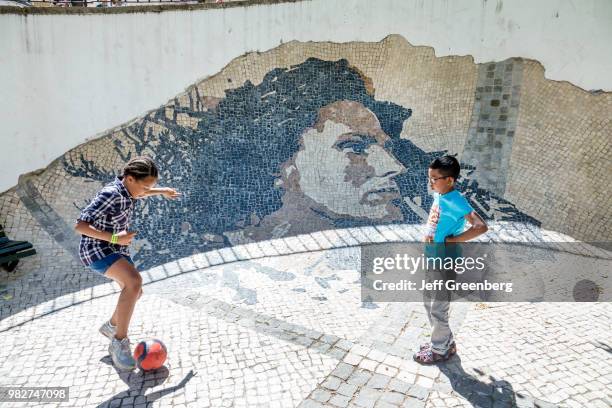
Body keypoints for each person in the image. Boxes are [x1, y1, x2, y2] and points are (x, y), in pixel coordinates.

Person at [74, 156, 180, 370]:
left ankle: (111, 326)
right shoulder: (110, 194)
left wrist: (162, 190)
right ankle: (119, 342)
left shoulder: (129, 189)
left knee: (135, 292)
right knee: (133, 282)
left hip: (116, 248)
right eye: (145, 186)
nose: (146, 191)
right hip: (97, 249)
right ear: (130, 179)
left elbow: (142, 192)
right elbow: (80, 226)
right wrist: (115, 238)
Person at [413, 155, 488, 364]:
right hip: (433, 258)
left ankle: (439, 350)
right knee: (429, 303)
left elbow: (480, 226)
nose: (431, 183)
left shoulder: (456, 200)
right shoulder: (440, 194)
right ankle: (445, 341)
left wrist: (454, 239)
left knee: (438, 307)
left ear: (450, 180)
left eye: (435, 179)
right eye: (430, 178)